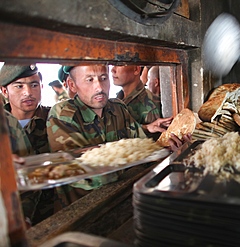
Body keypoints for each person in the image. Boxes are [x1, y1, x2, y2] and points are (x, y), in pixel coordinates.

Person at [47, 65, 188, 208]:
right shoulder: (63, 115)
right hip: (83, 208)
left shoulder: (117, 108)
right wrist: (135, 156)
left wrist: (167, 148)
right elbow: (84, 172)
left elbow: (141, 143)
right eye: (89, 80)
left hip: (122, 199)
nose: (99, 87)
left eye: (103, 78)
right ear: (72, 84)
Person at [0, 64, 54, 226]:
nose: (28, 92)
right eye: (19, 86)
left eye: (34, 85)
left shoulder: (57, 119)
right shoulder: (3, 126)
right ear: (4, 91)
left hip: (54, 211)